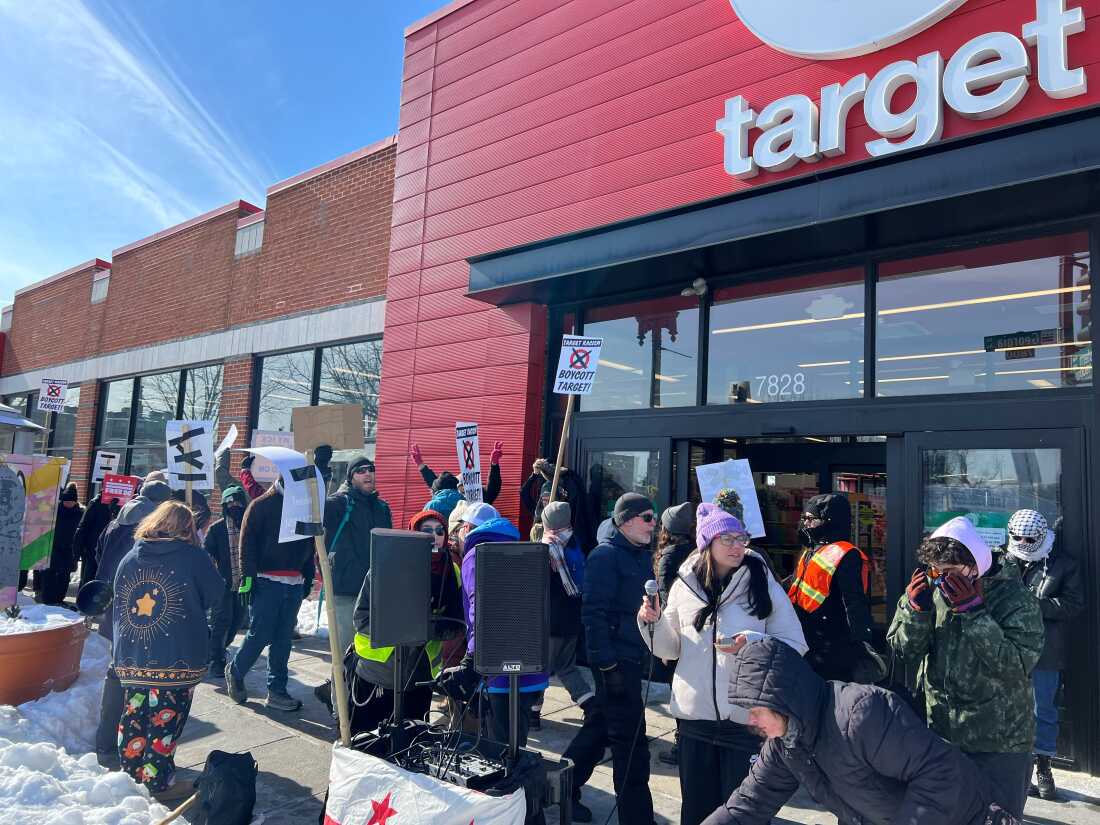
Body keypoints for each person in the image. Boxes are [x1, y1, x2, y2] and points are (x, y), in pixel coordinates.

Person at [700, 637, 1021, 825]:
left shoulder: (859, 714)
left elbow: (940, 773)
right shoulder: (788, 744)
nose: (751, 721)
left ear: (783, 699)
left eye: (756, 710)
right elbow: (748, 805)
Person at [638, 503, 806, 825]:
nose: (737, 545)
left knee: (745, 815)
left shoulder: (761, 580)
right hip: (694, 721)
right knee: (698, 814)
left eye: (741, 537)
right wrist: (653, 622)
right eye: (727, 538)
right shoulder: (684, 584)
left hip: (747, 722)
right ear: (707, 544)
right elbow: (670, 650)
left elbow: (794, 644)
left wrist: (753, 643)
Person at [888, 516, 1043, 819]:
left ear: (975, 564)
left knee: (997, 817)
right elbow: (902, 652)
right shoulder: (933, 592)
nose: (943, 580)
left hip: (998, 741)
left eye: (953, 572)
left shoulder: (1016, 599)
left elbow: (1015, 665)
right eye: (937, 572)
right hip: (941, 733)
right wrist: (914, 611)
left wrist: (974, 612)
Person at [111, 501, 223, 805]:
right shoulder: (193, 556)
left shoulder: (131, 555)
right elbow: (215, 594)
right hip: (177, 656)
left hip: (133, 654)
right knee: (166, 720)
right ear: (188, 527)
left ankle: (132, 773)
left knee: (134, 715)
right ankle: (158, 781)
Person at [563, 492, 657, 824]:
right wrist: (607, 665)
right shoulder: (605, 556)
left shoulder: (642, 555)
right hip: (616, 663)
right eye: (647, 517)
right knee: (632, 746)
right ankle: (637, 818)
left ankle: (561, 788)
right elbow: (593, 614)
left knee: (600, 728)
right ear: (626, 520)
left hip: (632, 657)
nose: (653, 523)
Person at [347, 509, 465, 735]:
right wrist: (401, 629)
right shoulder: (385, 565)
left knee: (412, 744)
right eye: (426, 530)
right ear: (413, 533)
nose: (434, 536)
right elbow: (361, 618)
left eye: (440, 531)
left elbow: (456, 624)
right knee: (367, 742)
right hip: (378, 672)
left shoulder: (453, 571)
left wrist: (427, 629)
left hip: (419, 677)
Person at [440, 503, 549, 748]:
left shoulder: (476, 554)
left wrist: (472, 662)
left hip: (496, 670)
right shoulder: (519, 550)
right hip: (530, 667)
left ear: (465, 528)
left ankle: (506, 785)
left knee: (497, 750)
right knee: (514, 743)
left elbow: (483, 610)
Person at [1002, 510, 1083, 801]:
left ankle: (1044, 765)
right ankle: (1011, 766)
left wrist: (1035, 605)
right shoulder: (1004, 558)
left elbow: (1074, 604)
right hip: (1005, 646)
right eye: (1018, 537)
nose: (1023, 542)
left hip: (1045, 648)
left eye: (1029, 538)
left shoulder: (1063, 564)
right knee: (1005, 706)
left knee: (1043, 710)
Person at [93, 473, 173, 767]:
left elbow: (98, 552)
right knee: (134, 681)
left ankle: (106, 742)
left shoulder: (117, 520)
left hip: (112, 605)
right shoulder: (150, 529)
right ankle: (127, 746)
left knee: (117, 674)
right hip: (138, 609)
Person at [227, 479, 316, 712]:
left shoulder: (305, 507)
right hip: (266, 580)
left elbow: (309, 545)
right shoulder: (261, 505)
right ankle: (236, 671)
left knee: (283, 639)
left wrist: (307, 576)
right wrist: (246, 578)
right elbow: (247, 544)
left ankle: (277, 690)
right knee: (260, 633)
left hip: (294, 580)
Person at [787, 493, 874, 681]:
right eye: (804, 518)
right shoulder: (811, 551)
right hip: (810, 637)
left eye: (811, 519)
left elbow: (853, 600)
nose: (806, 524)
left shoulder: (846, 553)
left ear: (829, 521)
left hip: (833, 643)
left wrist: (862, 640)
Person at [530, 501, 593, 731]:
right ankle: (591, 705)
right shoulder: (574, 542)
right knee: (567, 667)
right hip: (573, 618)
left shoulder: (545, 548)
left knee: (538, 669)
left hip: (550, 622)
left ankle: (532, 715)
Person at [323, 456, 392, 656]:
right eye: (361, 471)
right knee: (345, 653)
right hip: (346, 590)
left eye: (371, 469)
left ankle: (361, 688)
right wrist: (320, 467)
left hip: (376, 592)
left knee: (373, 654)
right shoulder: (339, 503)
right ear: (351, 478)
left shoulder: (382, 507)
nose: (368, 473)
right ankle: (341, 688)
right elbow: (316, 510)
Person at [652, 501, 696, 767]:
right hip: (693, 629)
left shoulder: (669, 556)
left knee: (678, 690)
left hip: (678, 631)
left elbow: (666, 598)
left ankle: (683, 745)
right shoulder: (694, 550)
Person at [203, 485, 249, 677]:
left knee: (237, 621)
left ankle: (219, 649)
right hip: (223, 583)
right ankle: (216, 660)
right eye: (229, 503)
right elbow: (207, 554)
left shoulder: (250, 526)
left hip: (245, 583)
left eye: (237, 502)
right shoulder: (217, 529)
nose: (233, 506)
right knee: (221, 621)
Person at [521, 458, 594, 548]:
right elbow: (524, 493)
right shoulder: (539, 513)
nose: (546, 501)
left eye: (548, 497)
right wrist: (534, 475)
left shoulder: (563, 518)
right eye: (543, 497)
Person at [410, 441, 504, 505]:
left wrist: (494, 465)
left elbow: (493, 488)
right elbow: (435, 484)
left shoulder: (477, 497)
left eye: (465, 486)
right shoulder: (447, 497)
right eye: (461, 486)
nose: (463, 489)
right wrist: (421, 465)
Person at [36, 483, 83, 605]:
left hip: (70, 549)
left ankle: (58, 599)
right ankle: (47, 598)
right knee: (48, 573)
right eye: (65, 501)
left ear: (75, 501)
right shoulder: (54, 510)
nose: (67, 504)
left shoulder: (81, 513)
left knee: (64, 575)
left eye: (70, 502)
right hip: (53, 546)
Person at [74, 489, 119, 589]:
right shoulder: (96, 502)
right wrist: (78, 549)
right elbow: (83, 526)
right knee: (89, 578)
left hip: (109, 550)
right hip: (92, 549)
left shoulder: (122, 504)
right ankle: (83, 602)